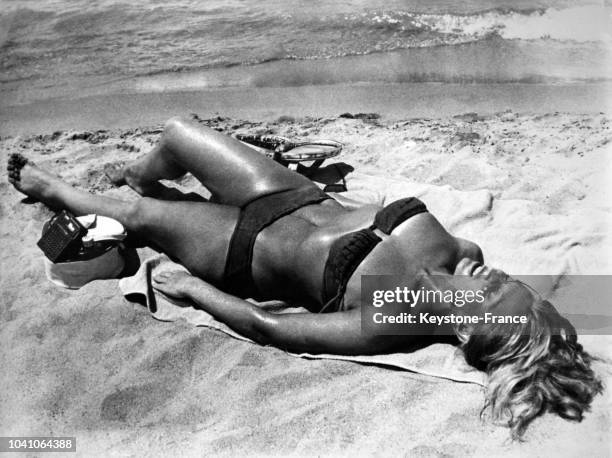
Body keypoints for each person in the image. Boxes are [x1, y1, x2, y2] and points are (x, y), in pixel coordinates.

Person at [7, 116, 601, 439]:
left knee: (135, 215)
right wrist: (552, 328)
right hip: (289, 193)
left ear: (466, 332)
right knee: (177, 135)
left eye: (491, 289)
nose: (492, 271)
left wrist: (198, 292)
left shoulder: (397, 316)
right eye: (508, 279)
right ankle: (142, 172)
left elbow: (279, 328)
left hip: (240, 248)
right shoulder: (464, 250)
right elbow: (591, 299)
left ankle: (56, 188)